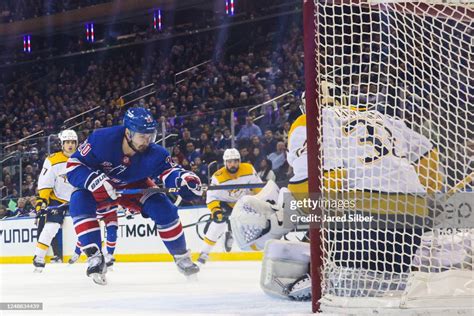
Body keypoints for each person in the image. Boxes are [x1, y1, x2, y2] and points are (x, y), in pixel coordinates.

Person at [230, 83, 444, 301]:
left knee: (345, 289)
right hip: (413, 215)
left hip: (365, 215)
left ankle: (321, 279)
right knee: (387, 285)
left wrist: (293, 212)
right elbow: (430, 164)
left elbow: (322, 179)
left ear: (307, 105)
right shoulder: (383, 118)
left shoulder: (310, 121)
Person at [66, 107, 203, 285]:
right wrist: (92, 180)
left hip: (135, 185)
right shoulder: (102, 139)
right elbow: (73, 165)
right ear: (128, 133)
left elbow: (170, 171)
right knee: (79, 199)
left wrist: (184, 179)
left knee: (163, 208)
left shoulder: (155, 153)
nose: (147, 141)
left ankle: (182, 257)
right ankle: (95, 257)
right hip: (101, 185)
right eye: (142, 136)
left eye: (150, 136)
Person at [197, 148, 262, 265]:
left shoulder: (248, 169)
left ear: (239, 161)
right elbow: (211, 197)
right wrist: (216, 211)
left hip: (243, 202)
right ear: (225, 162)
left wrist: (262, 201)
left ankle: (230, 233)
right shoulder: (218, 177)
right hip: (224, 203)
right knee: (218, 225)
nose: (233, 164)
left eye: (236, 161)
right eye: (230, 161)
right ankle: (204, 253)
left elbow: (258, 187)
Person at [33, 129, 78, 272]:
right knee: (51, 227)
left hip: (78, 197)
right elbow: (45, 183)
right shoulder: (52, 160)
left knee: (87, 225)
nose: (70, 145)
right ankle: (39, 257)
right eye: (67, 142)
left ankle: (95, 257)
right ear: (62, 144)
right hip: (57, 199)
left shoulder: (83, 158)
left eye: (72, 142)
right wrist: (42, 200)